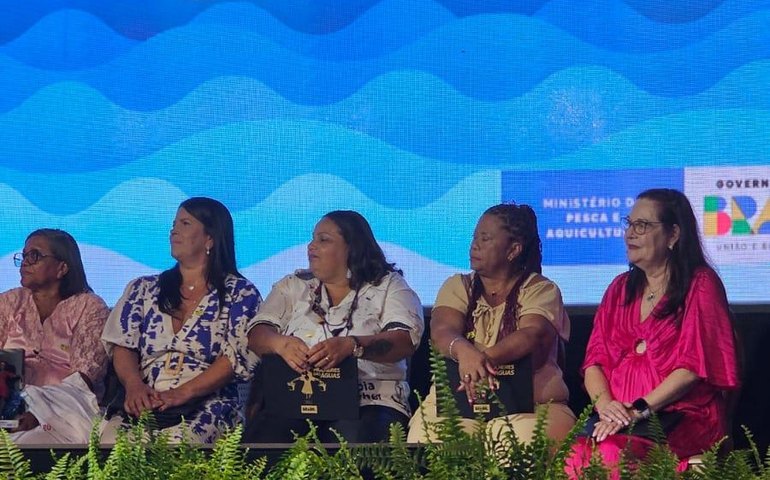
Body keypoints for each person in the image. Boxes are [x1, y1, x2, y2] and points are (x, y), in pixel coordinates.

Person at [566, 188, 740, 476]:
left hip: (679, 419)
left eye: (642, 225)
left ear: (673, 235)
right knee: (575, 452)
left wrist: (637, 411)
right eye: (629, 223)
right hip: (619, 421)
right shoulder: (619, 288)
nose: (630, 234)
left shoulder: (701, 285)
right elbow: (594, 363)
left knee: (610, 452)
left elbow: (692, 369)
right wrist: (610, 408)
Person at [245, 210, 424, 443]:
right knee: (261, 443)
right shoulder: (293, 286)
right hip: (296, 401)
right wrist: (280, 343)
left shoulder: (389, 285)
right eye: (312, 239)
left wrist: (353, 345)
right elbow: (257, 334)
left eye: (323, 240)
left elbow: (405, 340)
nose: (311, 246)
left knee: (352, 443)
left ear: (352, 248)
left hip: (370, 400)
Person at [407, 203, 575, 445]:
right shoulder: (458, 285)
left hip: (531, 406)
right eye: (475, 237)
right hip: (456, 406)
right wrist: (465, 352)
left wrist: (483, 361)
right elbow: (442, 330)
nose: (475, 245)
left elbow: (532, 334)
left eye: (485, 239)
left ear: (513, 250)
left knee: (514, 441)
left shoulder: (540, 289)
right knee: (432, 440)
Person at [101, 197, 261, 443]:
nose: (174, 230)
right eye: (174, 224)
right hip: (144, 402)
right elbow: (123, 344)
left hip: (207, 402)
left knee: (180, 444)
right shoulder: (143, 288)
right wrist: (134, 386)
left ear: (210, 238)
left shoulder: (240, 293)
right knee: (111, 443)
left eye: (185, 223)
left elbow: (234, 357)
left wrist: (181, 394)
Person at [0, 228, 110, 443]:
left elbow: (85, 377)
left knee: (29, 442)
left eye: (35, 255)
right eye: (24, 256)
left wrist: (40, 412)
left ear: (62, 268)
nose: (25, 262)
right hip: (8, 407)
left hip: (66, 409)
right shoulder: (8, 302)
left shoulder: (89, 307)